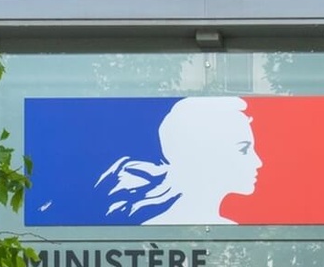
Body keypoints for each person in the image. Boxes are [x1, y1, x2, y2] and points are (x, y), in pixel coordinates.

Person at [95, 96, 261, 224]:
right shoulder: (157, 231)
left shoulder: (228, 231)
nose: (258, 162)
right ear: (204, 157)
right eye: (243, 149)